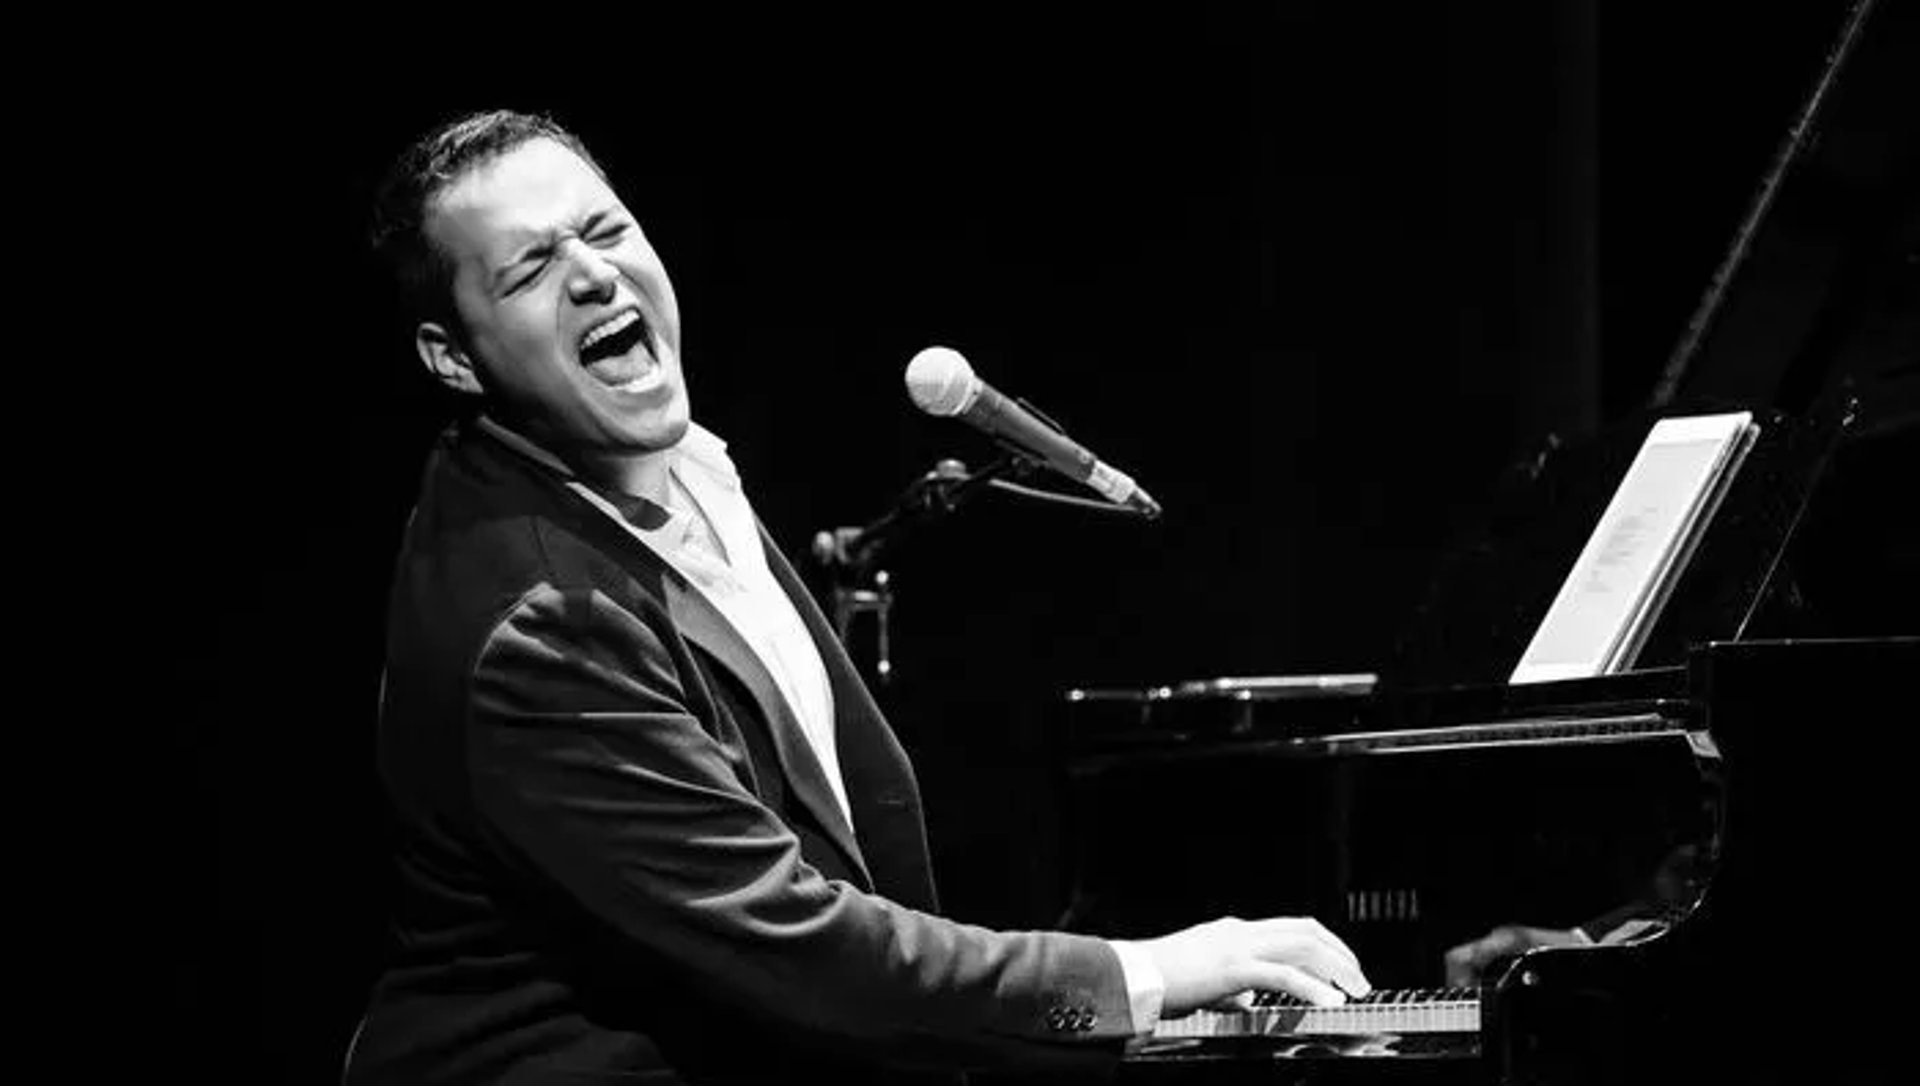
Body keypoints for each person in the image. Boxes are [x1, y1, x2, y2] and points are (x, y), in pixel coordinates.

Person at [342, 109, 1369, 1085]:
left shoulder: (674, 468)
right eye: (531, 267)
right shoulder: (546, 620)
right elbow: (800, 950)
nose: (592, 273)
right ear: (452, 357)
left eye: (605, 230)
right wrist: (1144, 981)